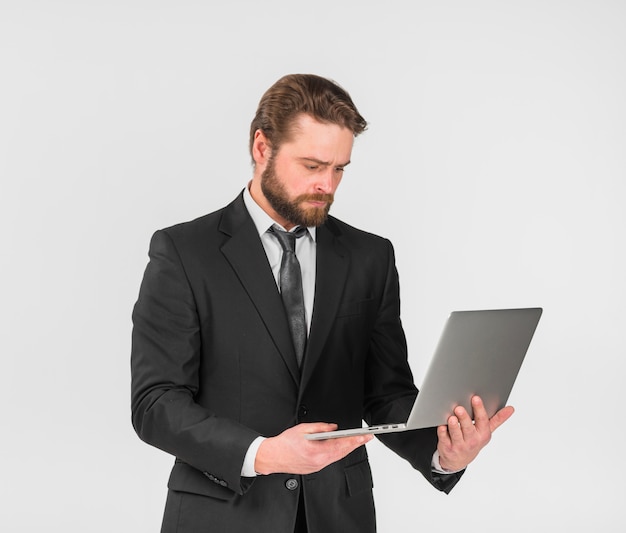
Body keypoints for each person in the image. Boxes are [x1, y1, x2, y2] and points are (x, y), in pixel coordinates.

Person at [130, 73, 514, 533]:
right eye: (312, 165)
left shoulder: (371, 257)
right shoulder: (184, 252)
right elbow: (155, 403)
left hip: (339, 516)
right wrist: (263, 453)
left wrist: (442, 451)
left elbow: (386, 393)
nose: (326, 185)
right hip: (222, 515)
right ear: (261, 148)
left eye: (339, 169)